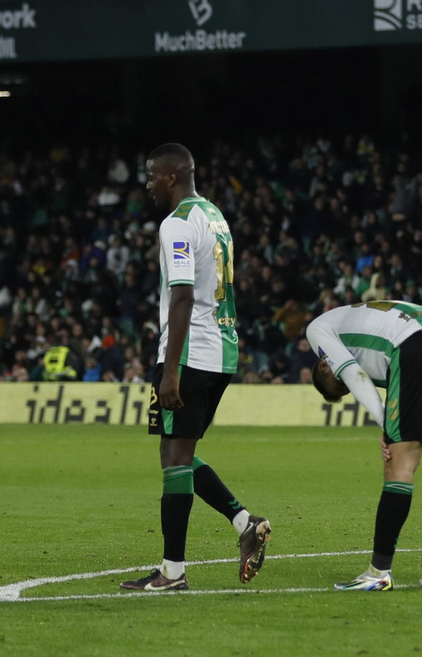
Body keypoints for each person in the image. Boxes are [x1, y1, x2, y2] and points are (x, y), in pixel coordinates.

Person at [119, 143, 270, 592]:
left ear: (171, 176)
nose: (147, 183)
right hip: (222, 348)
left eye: (151, 174)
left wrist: (171, 370)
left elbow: (182, 295)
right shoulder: (215, 216)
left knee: (175, 456)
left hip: (190, 353)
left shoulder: (177, 223)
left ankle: (173, 571)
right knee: (174, 453)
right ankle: (245, 522)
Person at [306, 300, 422, 591]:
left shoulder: (317, 330)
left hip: (414, 347)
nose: (346, 387)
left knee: (399, 464)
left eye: (339, 385)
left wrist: (385, 423)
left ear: (324, 363)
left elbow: (353, 375)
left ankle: (379, 572)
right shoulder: (356, 317)